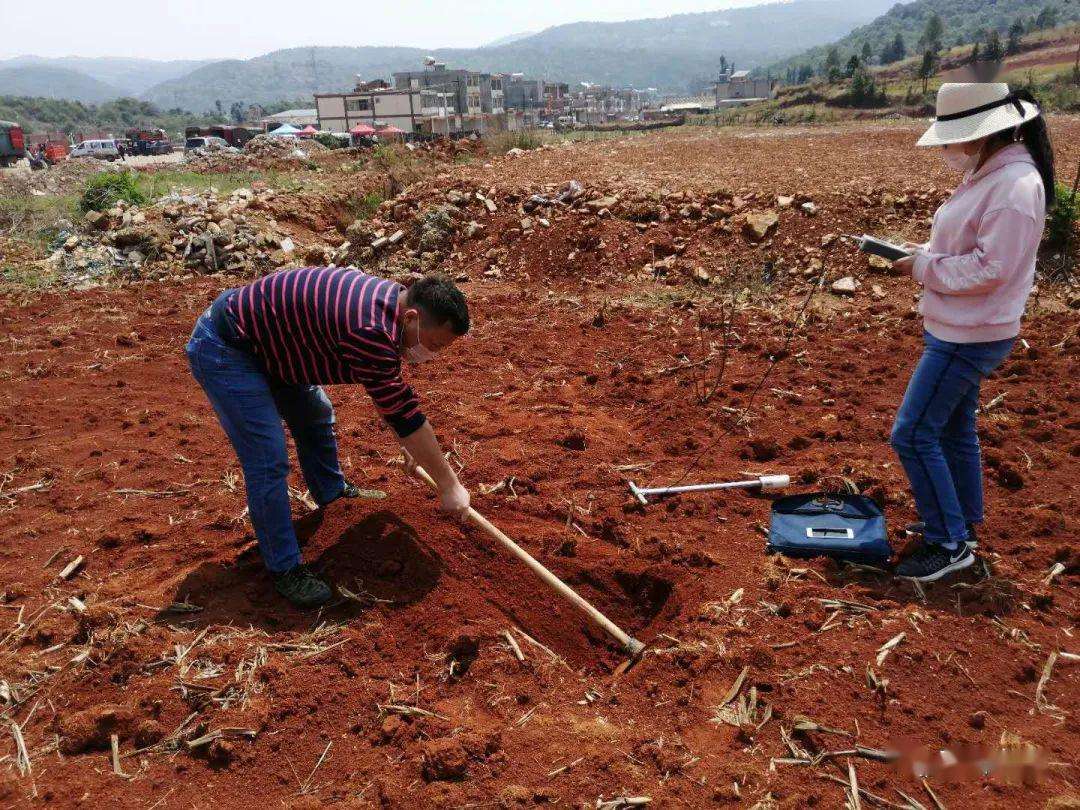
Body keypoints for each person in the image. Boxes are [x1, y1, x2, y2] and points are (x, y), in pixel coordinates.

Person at [185, 270, 472, 607]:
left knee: (315, 414)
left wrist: (411, 444)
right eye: (435, 344)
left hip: (276, 346)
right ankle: (284, 567)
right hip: (229, 348)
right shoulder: (371, 330)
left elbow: (388, 398)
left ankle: (332, 494)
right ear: (412, 316)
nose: (431, 354)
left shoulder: (391, 303)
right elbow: (403, 412)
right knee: (268, 459)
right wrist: (449, 485)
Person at [890, 83, 1054, 582]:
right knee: (953, 429)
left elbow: (991, 269)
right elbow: (969, 245)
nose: (945, 149)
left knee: (913, 434)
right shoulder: (992, 175)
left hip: (971, 333)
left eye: (950, 138)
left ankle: (949, 543)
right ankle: (960, 522)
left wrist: (923, 269)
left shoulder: (1015, 188)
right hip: (959, 326)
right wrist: (921, 255)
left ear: (982, 135)